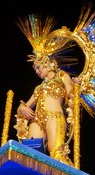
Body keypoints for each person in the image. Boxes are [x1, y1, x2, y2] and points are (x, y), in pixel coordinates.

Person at [15, 14, 76, 164]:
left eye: (38, 67)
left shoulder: (62, 76)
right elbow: (25, 106)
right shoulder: (38, 88)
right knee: (31, 154)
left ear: (48, 63)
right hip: (37, 120)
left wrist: (77, 87)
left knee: (56, 152)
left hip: (54, 116)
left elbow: (71, 95)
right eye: (35, 69)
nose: (37, 71)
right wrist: (22, 108)